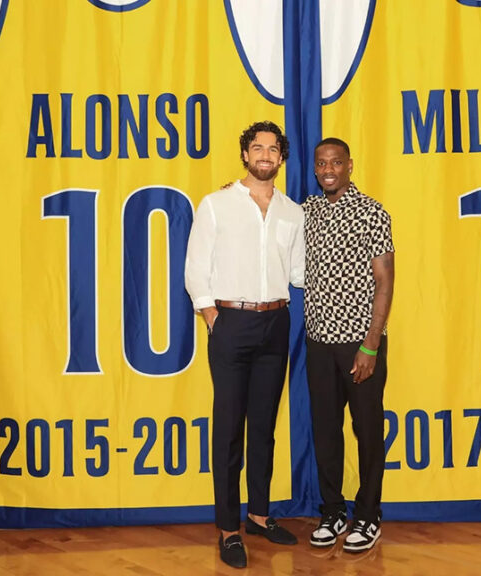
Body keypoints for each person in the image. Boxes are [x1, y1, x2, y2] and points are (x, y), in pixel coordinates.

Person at [184, 121, 305, 569]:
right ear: (245, 154)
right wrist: (213, 317)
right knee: (229, 429)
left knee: (265, 429)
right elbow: (196, 267)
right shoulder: (216, 204)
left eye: (273, 149)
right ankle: (228, 529)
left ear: (281, 158)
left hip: (277, 322)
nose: (265, 155)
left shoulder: (294, 212)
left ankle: (258, 515)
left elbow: (298, 274)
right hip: (231, 321)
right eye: (258, 147)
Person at [302, 137, 394, 553]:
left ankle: (368, 514)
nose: (328, 169)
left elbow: (385, 280)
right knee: (325, 431)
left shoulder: (372, 212)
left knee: (368, 430)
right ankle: (333, 510)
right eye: (322, 163)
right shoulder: (308, 211)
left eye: (336, 162)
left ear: (349, 166)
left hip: (360, 343)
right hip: (319, 343)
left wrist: (371, 345)